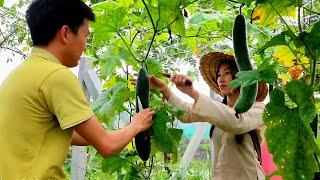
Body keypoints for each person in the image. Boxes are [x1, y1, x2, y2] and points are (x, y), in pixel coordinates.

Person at [0, 0, 154, 179]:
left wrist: (108, 133)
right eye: (86, 36)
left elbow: (62, 133)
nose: (86, 45)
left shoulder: (19, 74)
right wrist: (136, 125)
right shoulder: (56, 76)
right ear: (65, 33)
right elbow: (107, 146)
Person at [146, 52, 268, 179]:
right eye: (219, 74)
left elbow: (235, 122)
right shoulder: (219, 109)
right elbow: (186, 114)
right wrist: (164, 89)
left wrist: (193, 93)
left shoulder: (258, 108)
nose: (221, 78)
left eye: (227, 73)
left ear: (243, 78)